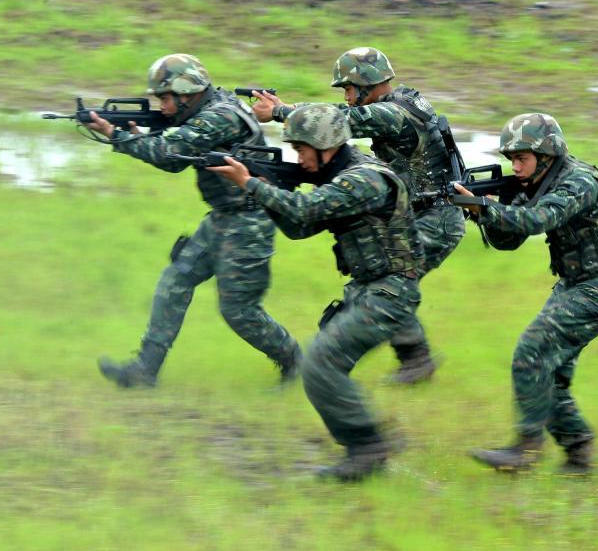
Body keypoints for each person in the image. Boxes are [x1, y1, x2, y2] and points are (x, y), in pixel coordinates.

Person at [209, 103, 422, 481]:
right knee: (322, 368)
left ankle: (368, 446)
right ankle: (367, 443)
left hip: (389, 293)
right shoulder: (339, 177)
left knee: (320, 362)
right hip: (367, 290)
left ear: (325, 144)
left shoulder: (364, 179)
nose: (299, 158)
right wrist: (270, 189)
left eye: (302, 149)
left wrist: (251, 184)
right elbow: (299, 228)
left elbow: (306, 211)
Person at [85, 53, 301, 388]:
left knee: (239, 311)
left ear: (188, 93)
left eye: (167, 99)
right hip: (223, 218)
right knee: (175, 281)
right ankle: (145, 370)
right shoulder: (213, 104)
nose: (164, 108)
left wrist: (116, 135)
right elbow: (175, 158)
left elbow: (168, 154)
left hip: (248, 223)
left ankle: (297, 362)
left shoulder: (219, 116)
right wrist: (138, 135)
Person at [252, 47, 464, 384]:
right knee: (385, 284)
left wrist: (282, 112)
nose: (348, 97)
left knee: (382, 286)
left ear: (368, 84)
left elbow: (339, 120)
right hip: (421, 212)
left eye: (349, 89)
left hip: (433, 217)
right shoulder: (405, 103)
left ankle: (338, 368)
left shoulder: (392, 113)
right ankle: (412, 360)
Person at [453, 113, 598, 474]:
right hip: (573, 284)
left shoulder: (578, 182)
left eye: (522, 159)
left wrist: (485, 207)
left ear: (547, 155)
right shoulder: (534, 182)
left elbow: (538, 221)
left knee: (531, 354)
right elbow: (510, 240)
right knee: (548, 373)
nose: (516, 167)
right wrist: (482, 210)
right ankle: (578, 450)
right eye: (512, 160)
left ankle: (526, 449)